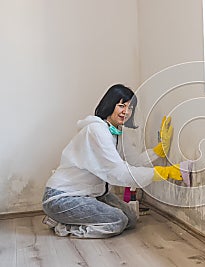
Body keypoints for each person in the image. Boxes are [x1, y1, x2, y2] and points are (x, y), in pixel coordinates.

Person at [42, 84, 187, 238]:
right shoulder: (96, 131)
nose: (126, 111)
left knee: (131, 219)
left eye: (130, 108)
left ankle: (71, 218)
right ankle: (62, 225)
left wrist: (159, 151)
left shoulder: (118, 133)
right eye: (121, 105)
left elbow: (135, 162)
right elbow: (118, 172)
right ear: (110, 105)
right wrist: (164, 172)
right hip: (63, 197)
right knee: (117, 221)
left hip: (92, 194)